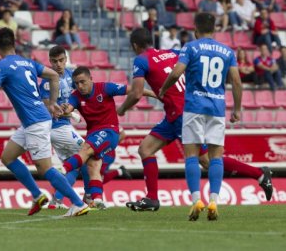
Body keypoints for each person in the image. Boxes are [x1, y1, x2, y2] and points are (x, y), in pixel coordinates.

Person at [121, 28, 272, 216]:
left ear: (135, 46)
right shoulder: (173, 52)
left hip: (182, 113)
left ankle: (258, 174)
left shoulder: (141, 60)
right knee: (145, 149)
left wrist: (121, 109)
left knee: (207, 161)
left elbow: (136, 93)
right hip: (176, 112)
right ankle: (151, 198)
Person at [0, 27, 89, 217]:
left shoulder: (0, 66)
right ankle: (36, 195)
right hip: (33, 121)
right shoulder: (27, 62)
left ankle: (77, 203)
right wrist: (51, 103)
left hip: (36, 122)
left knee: (45, 169)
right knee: (8, 157)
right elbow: (53, 75)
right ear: (14, 44)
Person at [158, 13, 243, 221]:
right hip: (217, 108)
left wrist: (163, 89)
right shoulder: (227, 51)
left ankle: (196, 199)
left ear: (196, 29)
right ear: (214, 29)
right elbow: (237, 81)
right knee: (215, 156)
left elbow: (177, 73)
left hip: (194, 107)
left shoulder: (190, 47)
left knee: (192, 156)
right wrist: (237, 109)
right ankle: (214, 200)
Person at [60, 67, 156, 208]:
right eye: (76, 83)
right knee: (93, 166)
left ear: (91, 79)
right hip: (92, 133)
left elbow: (135, 90)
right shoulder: (75, 96)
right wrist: (64, 110)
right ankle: (97, 199)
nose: (80, 86)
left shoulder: (105, 88)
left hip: (109, 131)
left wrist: (156, 95)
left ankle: (62, 170)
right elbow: (68, 108)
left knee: (85, 149)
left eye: (82, 82)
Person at [38, 45, 85, 209]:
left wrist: (73, 110)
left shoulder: (72, 76)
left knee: (75, 166)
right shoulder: (47, 81)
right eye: (55, 61)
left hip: (65, 126)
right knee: (89, 151)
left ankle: (56, 201)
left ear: (66, 59)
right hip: (56, 128)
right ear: (50, 62)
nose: (58, 64)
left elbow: (78, 97)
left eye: (61, 60)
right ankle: (91, 197)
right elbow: (47, 108)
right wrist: (69, 114)